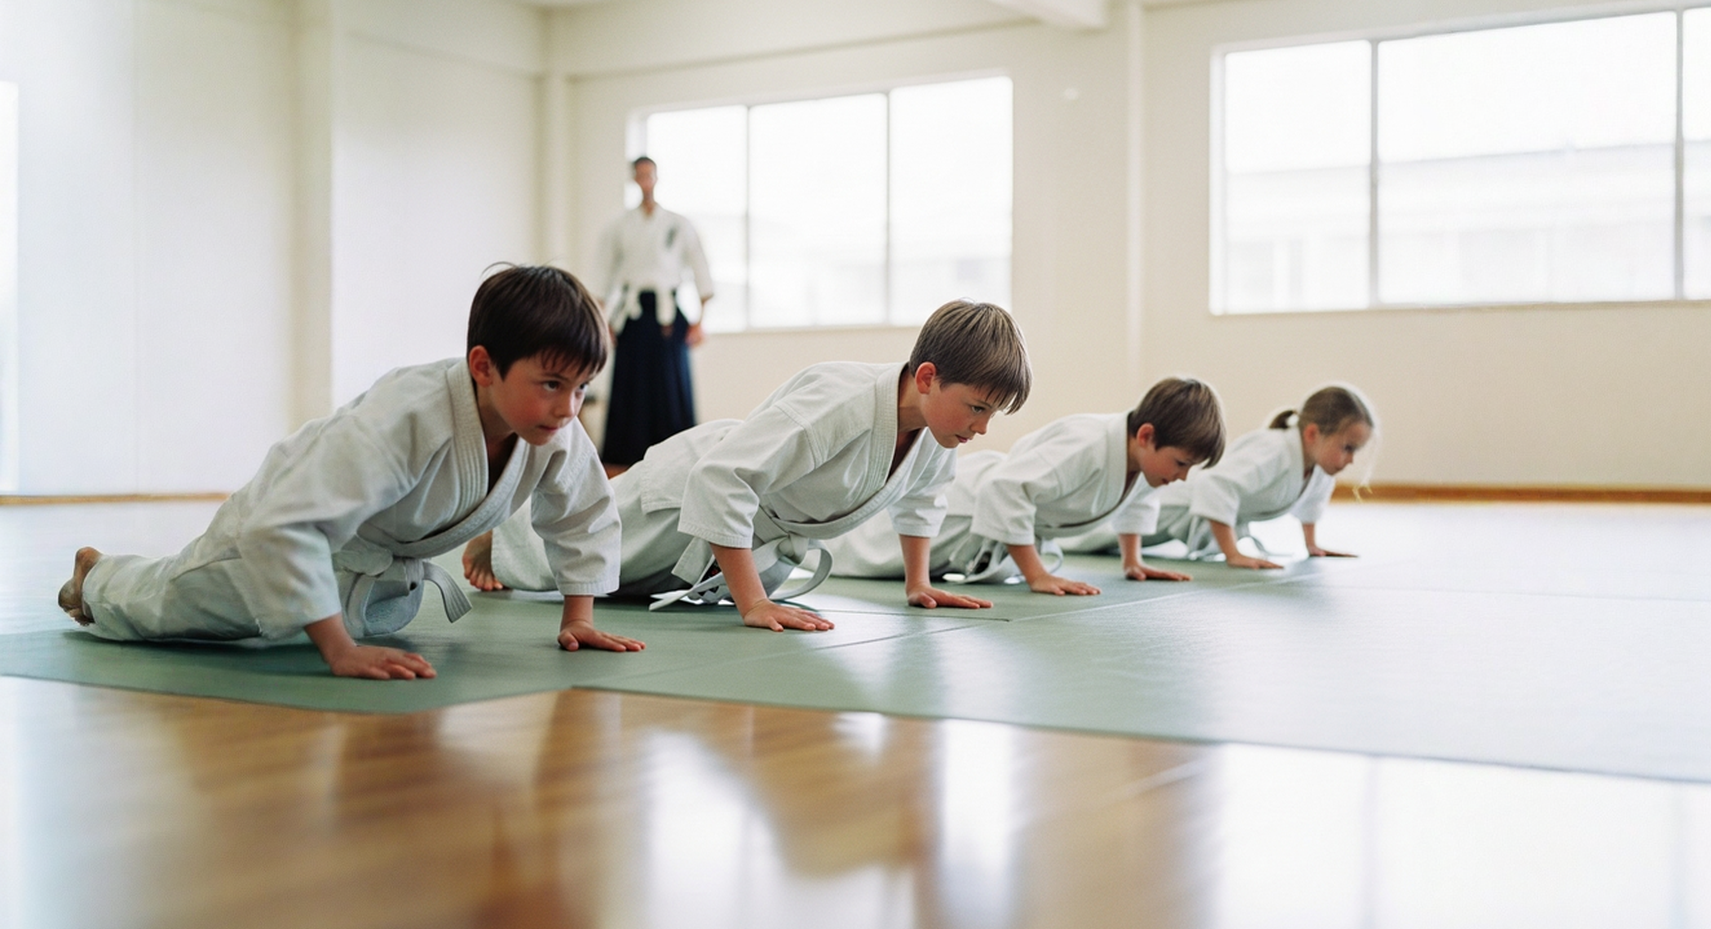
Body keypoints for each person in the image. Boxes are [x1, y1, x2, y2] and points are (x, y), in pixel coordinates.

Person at [56, 265, 645, 680]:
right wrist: (339, 651)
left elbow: (583, 512)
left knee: (289, 626)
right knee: (179, 610)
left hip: (365, 551)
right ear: (484, 366)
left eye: (581, 387)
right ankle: (99, 576)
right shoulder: (411, 416)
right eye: (552, 384)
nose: (568, 407)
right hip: (282, 513)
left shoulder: (552, 428)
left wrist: (578, 618)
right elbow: (289, 524)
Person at [463, 299, 1034, 630]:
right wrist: (753, 602)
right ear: (929, 377)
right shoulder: (842, 399)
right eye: (978, 407)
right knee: (571, 558)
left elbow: (922, 500)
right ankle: (495, 535)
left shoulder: (933, 434)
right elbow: (722, 479)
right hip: (684, 490)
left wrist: (919, 583)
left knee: (622, 591)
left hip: (742, 533)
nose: (982, 427)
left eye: (992, 414)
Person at [825, 377, 1226, 595]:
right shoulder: (1087, 442)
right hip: (960, 508)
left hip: (978, 531)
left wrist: (1132, 561)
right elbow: (1006, 490)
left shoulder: (1141, 462)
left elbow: (1136, 500)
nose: (1182, 477)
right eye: (1181, 463)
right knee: (852, 553)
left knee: (910, 574)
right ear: (1146, 435)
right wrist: (1036, 575)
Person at [1061, 384, 1376, 568]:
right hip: (1172, 502)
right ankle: (1048, 532)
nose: (1350, 459)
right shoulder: (1274, 449)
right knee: (1085, 536)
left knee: (1118, 539)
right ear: (1312, 434)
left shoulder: (1318, 467)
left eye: (1355, 451)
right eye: (1347, 447)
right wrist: (1232, 553)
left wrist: (1312, 544)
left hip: (1179, 515)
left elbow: (1311, 502)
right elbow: (1216, 484)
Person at [598, 155, 716, 474]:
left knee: (671, 385)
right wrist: (603, 320)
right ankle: (625, 458)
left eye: (650, 175)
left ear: (656, 177)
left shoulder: (678, 223)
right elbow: (603, 272)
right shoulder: (620, 226)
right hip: (633, 313)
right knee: (631, 386)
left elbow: (700, 266)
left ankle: (679, 456)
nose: (645, 181)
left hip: (668, 315)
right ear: (634, 179)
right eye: (640, 175)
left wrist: (700, 320)